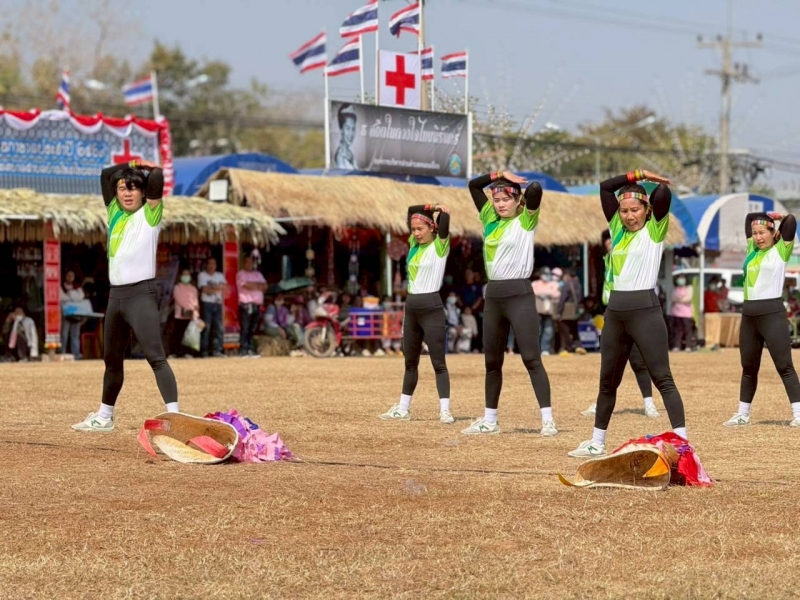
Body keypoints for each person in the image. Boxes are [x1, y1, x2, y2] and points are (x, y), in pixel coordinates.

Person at [569, 169, 687, 457]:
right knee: (607, 382)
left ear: (647, 210)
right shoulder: (616, 230)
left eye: (635, 210)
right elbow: (605, 188)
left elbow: (663, 193)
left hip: (645, 311)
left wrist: (652, 182)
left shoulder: (655, 229)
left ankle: (683, 445)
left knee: (662, 378)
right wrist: (637, 174)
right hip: (616, 313)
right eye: (624, 211)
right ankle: (597, 442)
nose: (629, 216)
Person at [73, 159, 179, 432]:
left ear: (143, 193)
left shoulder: (150, 214)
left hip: (141, 295)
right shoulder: (114, 213)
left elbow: (157, 176)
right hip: (116, 298)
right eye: (122, 188)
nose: (127, 193)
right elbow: (105, 174)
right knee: (111, 361)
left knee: (156, 358)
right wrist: (132, 163)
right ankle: (104, 417)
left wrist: (146, 168)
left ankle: (176, 417)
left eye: (133, 188)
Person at [461, 170, 556, 437]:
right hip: (493, 295)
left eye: (506, 199)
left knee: (531, 359)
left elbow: (535, 189)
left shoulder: (526, 219)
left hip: (519, 294)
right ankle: (490, 421)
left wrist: (515, 183)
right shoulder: (489, 218)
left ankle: (547, 420)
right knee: (492, 362)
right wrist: (498, 174)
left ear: (517, 201)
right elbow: (473, 185)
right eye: (496, 199)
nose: (500, 204)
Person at [723, 211, 800, 427]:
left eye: (762, 233)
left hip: (772, 314)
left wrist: (777, 216)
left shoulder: (781, 250)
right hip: (749, 315)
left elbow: (791, 221)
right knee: (748, 367)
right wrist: (762, 218)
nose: (757, 237)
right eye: (755, 233)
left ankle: (798, 413)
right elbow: (749, 217)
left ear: (773, 233)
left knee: (784, 366)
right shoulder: (752, 250)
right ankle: (742, 414)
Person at [380, 203, 454, 424]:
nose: (416, 233)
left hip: (432, 307)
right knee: (410, 362)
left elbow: (445, 218)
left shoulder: (440, 245)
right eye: (413, 229)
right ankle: (403, 409)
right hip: (411, 308)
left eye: (420, 229)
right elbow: (412, 209)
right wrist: (429, 206)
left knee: (438, 363)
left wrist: (439, 209)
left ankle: (445, 411)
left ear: (432, 228)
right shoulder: (413, 244)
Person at [581, 230, 660, 420]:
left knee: (638, 361)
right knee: (609, 363)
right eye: (607, 241)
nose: (610, 243)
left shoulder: (628, 258)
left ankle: (649, 404)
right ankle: (600, 402)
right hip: (610, 314)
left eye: (612, 240)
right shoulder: (603, 261)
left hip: (631, 312)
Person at [236, 256, 267, 356]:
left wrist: (254, 286)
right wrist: (258, 286)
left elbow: (265, 286)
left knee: (253, 328)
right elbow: (247, 285)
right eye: (247, 262)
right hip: (246, 304)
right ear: (244, 263)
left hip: (257, 305)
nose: (249, 264)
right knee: (245, 328)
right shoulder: (241, 274)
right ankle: (243, 350)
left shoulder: (258, 274)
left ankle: (250, 348)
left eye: (251, 262)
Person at [198, 258, 227, 357]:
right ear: (206, 265)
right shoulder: (202, 275)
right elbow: (204, 289)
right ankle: (204, 351)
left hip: (217, 303)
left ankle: (217, 350)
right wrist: (217, 287)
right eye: (209, 264)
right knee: (206, 327)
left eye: (213, 264)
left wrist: (212, 288)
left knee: (218, 327)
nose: (211, 266)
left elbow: (224, 287)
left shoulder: (220, 275)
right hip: (207, 304)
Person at [169, 269, 200, 358]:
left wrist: (195, 310)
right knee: (178, 333)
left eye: (187, 275)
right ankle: (175, 352)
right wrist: (190, 307)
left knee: (189, 335)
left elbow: (195, 301)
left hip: (191, 316)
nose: (186, 277)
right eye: (184, 275)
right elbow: (179, 299)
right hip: (180, 315)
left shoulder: (193, 289)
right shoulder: (177, 287)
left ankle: (188, 352)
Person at [556, 269, 585, 355]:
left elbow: (563, 298)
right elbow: (580, 298)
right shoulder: (578, 284)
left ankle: (566, 347)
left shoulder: (567, 284)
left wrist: (559, 311)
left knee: (564, 329)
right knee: (574, 328)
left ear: (567, 275)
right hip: (575, 309)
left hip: (567, 310)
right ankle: (578, 346)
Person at [532, 267, 559, 355]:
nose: (546, 276)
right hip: (537, 311)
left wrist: (545, 293)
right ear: (540, 275)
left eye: (548, 274)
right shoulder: (535, 283)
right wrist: (546, 292)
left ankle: (545, 349)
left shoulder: (553, 284)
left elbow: (557, 294)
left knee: (548, 331)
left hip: (549, 312)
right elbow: (533, 292)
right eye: (545, 274)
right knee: (537, 330)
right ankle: (536, 349)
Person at [60, 270, 85, 360]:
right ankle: (62, 353)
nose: (70, 277)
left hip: (76, 314)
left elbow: (81, 297)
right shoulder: (61, 286)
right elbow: (62, 297)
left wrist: (70, 296)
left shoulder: (77, 287)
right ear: (65, 276)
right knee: (64, 334)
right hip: (66, 314)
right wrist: (73, 297)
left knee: (75, 335)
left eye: (72, 276)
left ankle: (76, 354)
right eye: (68, 275)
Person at [670, 275, 695, 351]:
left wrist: (678, 300)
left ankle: (688, 346)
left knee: (688, 330)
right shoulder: (675, 289)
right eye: (679, 278)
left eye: (682, 278)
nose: (681, 280)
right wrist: (681, 300)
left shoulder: (689, 288)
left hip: (686, 314)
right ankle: (677, 346)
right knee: (677, 330)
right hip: (676, 313)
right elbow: (672, 298)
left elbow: (688, 298)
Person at [334, 104, 359, 170]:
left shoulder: (350, 154)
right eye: (348, 128)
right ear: (341, 130)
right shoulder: (340, 157)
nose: (351, 134)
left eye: (353, 129)